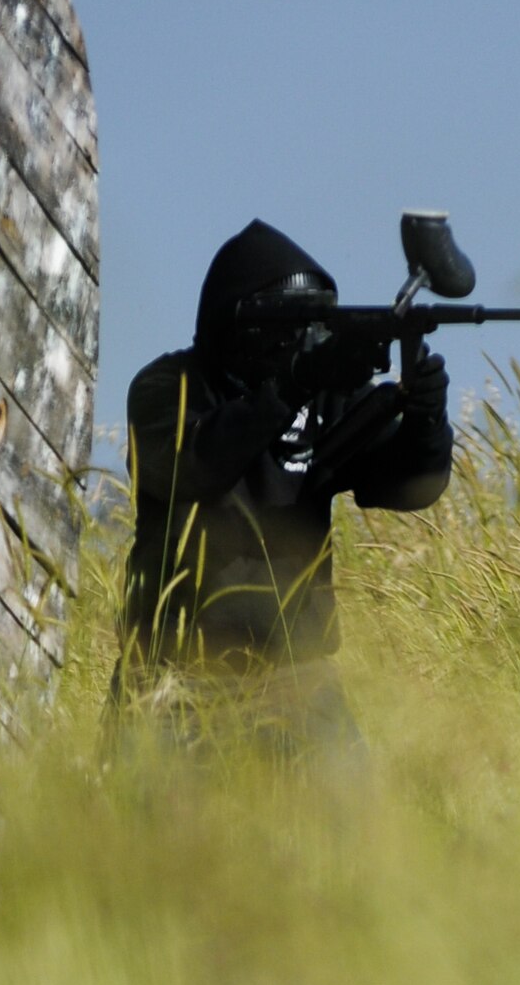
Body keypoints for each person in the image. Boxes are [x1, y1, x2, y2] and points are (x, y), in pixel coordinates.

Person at [112, 219, 453, 754]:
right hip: (174, 675)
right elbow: (192, 468)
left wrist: (426, 418)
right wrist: (291, 387)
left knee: (350, 834)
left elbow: (411, 485)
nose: (304, 337)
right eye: (292, 324)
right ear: (243, 324)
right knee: (150, 833)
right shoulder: (169, 388)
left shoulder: (328, 399)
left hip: (296, 678)